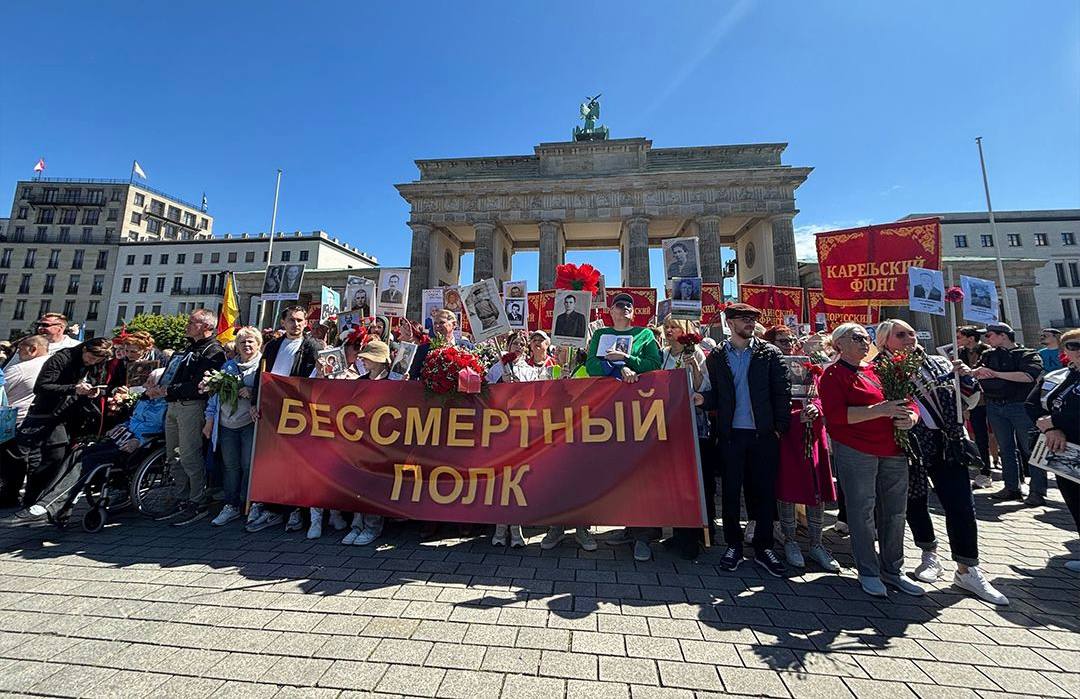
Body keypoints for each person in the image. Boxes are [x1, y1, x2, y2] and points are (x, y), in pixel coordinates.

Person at [876, 319, 1008, 605]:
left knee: (960, 503)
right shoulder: (879, 369)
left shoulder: (940, 362)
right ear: (885, 341)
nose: (910, 338)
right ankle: (928, 553)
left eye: (911, 333)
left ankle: (967, 568)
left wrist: (966, 379)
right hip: (909, 442)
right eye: (901, 335)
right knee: (916, 500)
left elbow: (969, 402)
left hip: (948, 441)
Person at [818, 323, 922, 598]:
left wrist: (910, 418)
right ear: (839, 344)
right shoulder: (833, 375)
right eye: (857, 338)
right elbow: (836, 416)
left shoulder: (879, 370)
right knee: (862, 511)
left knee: (895, 512)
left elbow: (908, 402)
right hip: (856, 449)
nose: (865, 342)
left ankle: (893, 569)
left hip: (892, 449)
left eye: (866, 337)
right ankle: (868, 570)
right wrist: (879, 410)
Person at [695, 304, 790, 577]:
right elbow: (715, 393)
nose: (751, 323)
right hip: (730, 434)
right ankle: (733, 545)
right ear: (730, 322)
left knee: (763, 492)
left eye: (754, 319)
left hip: (763, 434)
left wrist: (779, 429)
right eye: (745, 319)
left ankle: (763, 546)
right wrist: (703, 400)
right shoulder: (716, 356)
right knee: (731, 492)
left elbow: (781, 392)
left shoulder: (769, 353)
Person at [14, 367, 171, 525]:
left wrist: (139, 441)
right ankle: (52, 505)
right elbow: (133, 420)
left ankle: (50, 507)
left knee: (87, 461)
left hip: (137, 447)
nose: (145, 385)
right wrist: (121, 426)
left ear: (161, 385)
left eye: (150, 382)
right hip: (121, 438)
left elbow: (163, 431)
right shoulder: (144, 400)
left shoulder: (167, 406)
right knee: (78, 452)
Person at [763, 326, 840, 573]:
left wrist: (816, 408)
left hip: (811, 433)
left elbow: (819, 393)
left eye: (790, 340)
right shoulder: (767, 365)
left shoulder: (806, 364)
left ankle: (817, 544)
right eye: (782, 340)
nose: (788, 344)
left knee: (815, 487)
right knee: (788, 487)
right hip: (786, 433)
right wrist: (794, 418)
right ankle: (790, 540)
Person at [246, 306, 323, 533]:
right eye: (292, 320)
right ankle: (273, 508)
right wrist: (254, 402)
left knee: (296, 463)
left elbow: (315, 381)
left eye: (300, 320)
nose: (296, 324)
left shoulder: (312, 347)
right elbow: (262, 376)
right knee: (272, 461)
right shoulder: (273, 346)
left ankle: (296, 511)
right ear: (283, 321)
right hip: (272, 411)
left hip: (297, 412)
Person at [14, 337, 114, 506]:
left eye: (97, 360)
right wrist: (73, 389)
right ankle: (34, 499)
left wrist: (94, 390)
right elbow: (41, 387)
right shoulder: (61, 359)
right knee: (52, 456)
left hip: (71, 414)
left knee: (58, 456)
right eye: (91, 358)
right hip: (49, 413)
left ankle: (41, 497)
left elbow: (97, 381)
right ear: (84, 350)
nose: (92, 362)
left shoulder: (96, 363)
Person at [149, 309, 225, 526]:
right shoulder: (188, 348)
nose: (188, 325)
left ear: (207, 327)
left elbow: (200, 386)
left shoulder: (213, 351)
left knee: (190, 456)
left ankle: (197, 501)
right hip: (173, 405)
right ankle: (182, 497)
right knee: (173, 455)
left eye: (193, 322)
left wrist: (167, 390)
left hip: (191, 406)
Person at [660, 317, 715, 559]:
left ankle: (696, 536)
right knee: (674, 479)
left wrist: (692, 365)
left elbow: (703, 387)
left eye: (674, 327)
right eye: (667, 328)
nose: (670, 331)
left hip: (693, 421)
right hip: (669, 421)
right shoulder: (663, 354)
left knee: (695, 479)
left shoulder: (698, 354)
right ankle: (679, 532)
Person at [1026, 328, 1080, 573]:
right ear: (1065, 351)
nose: (1078, 351)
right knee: (1075, 501)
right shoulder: (1058, 376)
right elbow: (1032, 404)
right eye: (1073, 346)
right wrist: (1049, 429)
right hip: (1063, 450)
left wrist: (1056, 423)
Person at [973, 322, 1044, 504]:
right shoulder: (987, 355)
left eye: (989, 335)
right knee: (1006, 449)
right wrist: (973, 372)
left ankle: (1037, 491)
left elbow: (1028, 376)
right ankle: (1011, 487)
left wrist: (995, 374)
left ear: (1003, 335)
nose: (986, 339)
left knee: (1030, 448)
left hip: (1020, 406)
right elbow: (978, 373)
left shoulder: (1027, 354)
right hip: (994, 405)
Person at [338, 339, 399, 546]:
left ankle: (372, 526)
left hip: (385, 442)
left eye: (369, 358)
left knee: (375, 483)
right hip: (361, 440)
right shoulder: (361, 380)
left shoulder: (394, 381)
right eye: (364, 358)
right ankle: (357, 525)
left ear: (382, 361)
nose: (364, 361)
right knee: (358, 482)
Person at [202, 327, 263, 527]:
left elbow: (269, 393)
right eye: (243, 342)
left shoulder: (263, 366)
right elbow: (215, 395)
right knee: (230, 466)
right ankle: (230, 504)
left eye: (251, 341)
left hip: (249, 423)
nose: (247, 345)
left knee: (248, 465)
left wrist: (252, 392)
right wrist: (209, 420)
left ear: (258, 344)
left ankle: (248, 502)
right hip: (227, 422)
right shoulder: (228, 366)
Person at [0, 336, 51, 506]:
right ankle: (23, 496)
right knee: (24, 459)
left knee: (11, 460)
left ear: (33, 349)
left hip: (11, 420)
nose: (18, 352)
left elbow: (2, 389)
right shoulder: (51, 365)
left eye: (21, 348)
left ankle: (9, 495)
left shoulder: (21, 368)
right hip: (35, 420)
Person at [956, 326, 994, 489]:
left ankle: (1017, 475)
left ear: (970, 338)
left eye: (960, 337)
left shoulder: (988, 351)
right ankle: (985, 472)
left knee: (1000, 436)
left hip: (992, 399)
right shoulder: (959, 354)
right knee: (979, 437)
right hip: (974, 402)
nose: (957, 339)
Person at [4, 313, 80, 368]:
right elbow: (10, 367)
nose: (40, 328)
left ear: (60, 328)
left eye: (45, 325)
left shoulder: (75, 347)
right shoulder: (26, 343)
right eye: (38, 325)